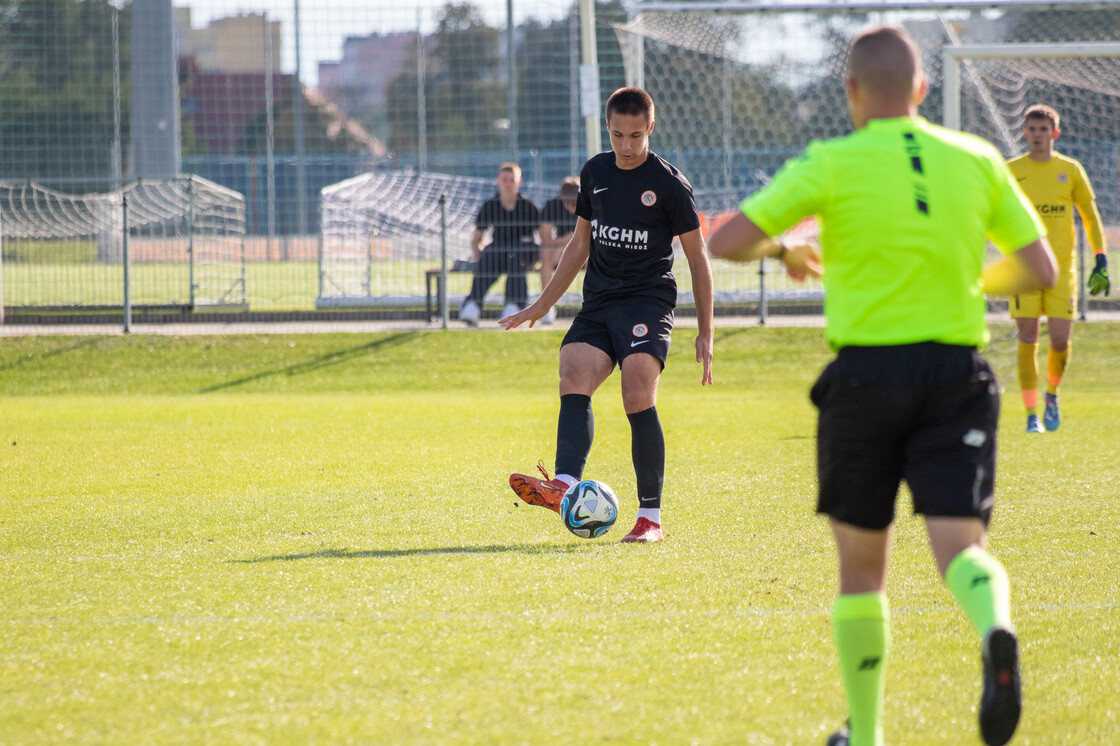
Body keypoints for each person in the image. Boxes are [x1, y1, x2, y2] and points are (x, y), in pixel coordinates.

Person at [707, 26, 1056, 746]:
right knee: (961, 549)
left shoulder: (832, 161)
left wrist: (785, 248)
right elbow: (1041, 269)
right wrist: (970, 281)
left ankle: (865, 737)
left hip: (865, 377)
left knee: (863, 573)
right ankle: (995, 626)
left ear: (852, 92)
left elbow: (726, 241)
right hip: (956, 375)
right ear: (924, 89)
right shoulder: (979, 157)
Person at [500, 86, 714, 544]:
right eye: (618, 135)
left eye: (636, 136)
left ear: (650, 128)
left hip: (647, 302)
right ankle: (565, 484)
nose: (626, 146)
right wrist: (544, 303)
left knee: (637, 392)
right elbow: (580, 244)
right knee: (572, 374)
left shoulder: (670, 185)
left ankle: (650, 519)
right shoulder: (595, 172)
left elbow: (698, 257)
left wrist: (706, 331)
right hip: (599, 303)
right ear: (608, 128)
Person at [1006, 104, 1111, 433]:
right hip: (1023, 269)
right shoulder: (1010, 170)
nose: (1037, 135)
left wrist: (1101, 257)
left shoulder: (1071, 169)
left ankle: (1051, 394)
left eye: (1043, 130)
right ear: (1025, 133)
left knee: (1061, 341)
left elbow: (1090, 217)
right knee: (1027, 335)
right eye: (1031, 130)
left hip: (1062, 271)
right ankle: (1030, 413)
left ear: (1055, 133)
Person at [458, 163, 542, 326]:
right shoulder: (490, 205)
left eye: (512, 180)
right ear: (498, 181)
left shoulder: (528, 205)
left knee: (515, 259)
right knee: (489, 256)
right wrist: (478, 254)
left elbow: (543, 238)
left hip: (523, 250)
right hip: (499, 249)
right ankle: (473, 305)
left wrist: (539, 260)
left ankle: (514, 306)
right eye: (505, 180)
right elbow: (476, 240)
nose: (508, 184)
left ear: (519, 182)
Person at [537, 176, 580, 325]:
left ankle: (592, 305)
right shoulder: (552, 205)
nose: (573, 208)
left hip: (584, 250)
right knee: (546, 253)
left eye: (576, 203)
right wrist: (563, 244)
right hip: (558, 251)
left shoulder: (589, 203)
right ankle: (546, 307)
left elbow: (592, 238)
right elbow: (545, 240)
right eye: (569, 203)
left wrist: (566, 246)